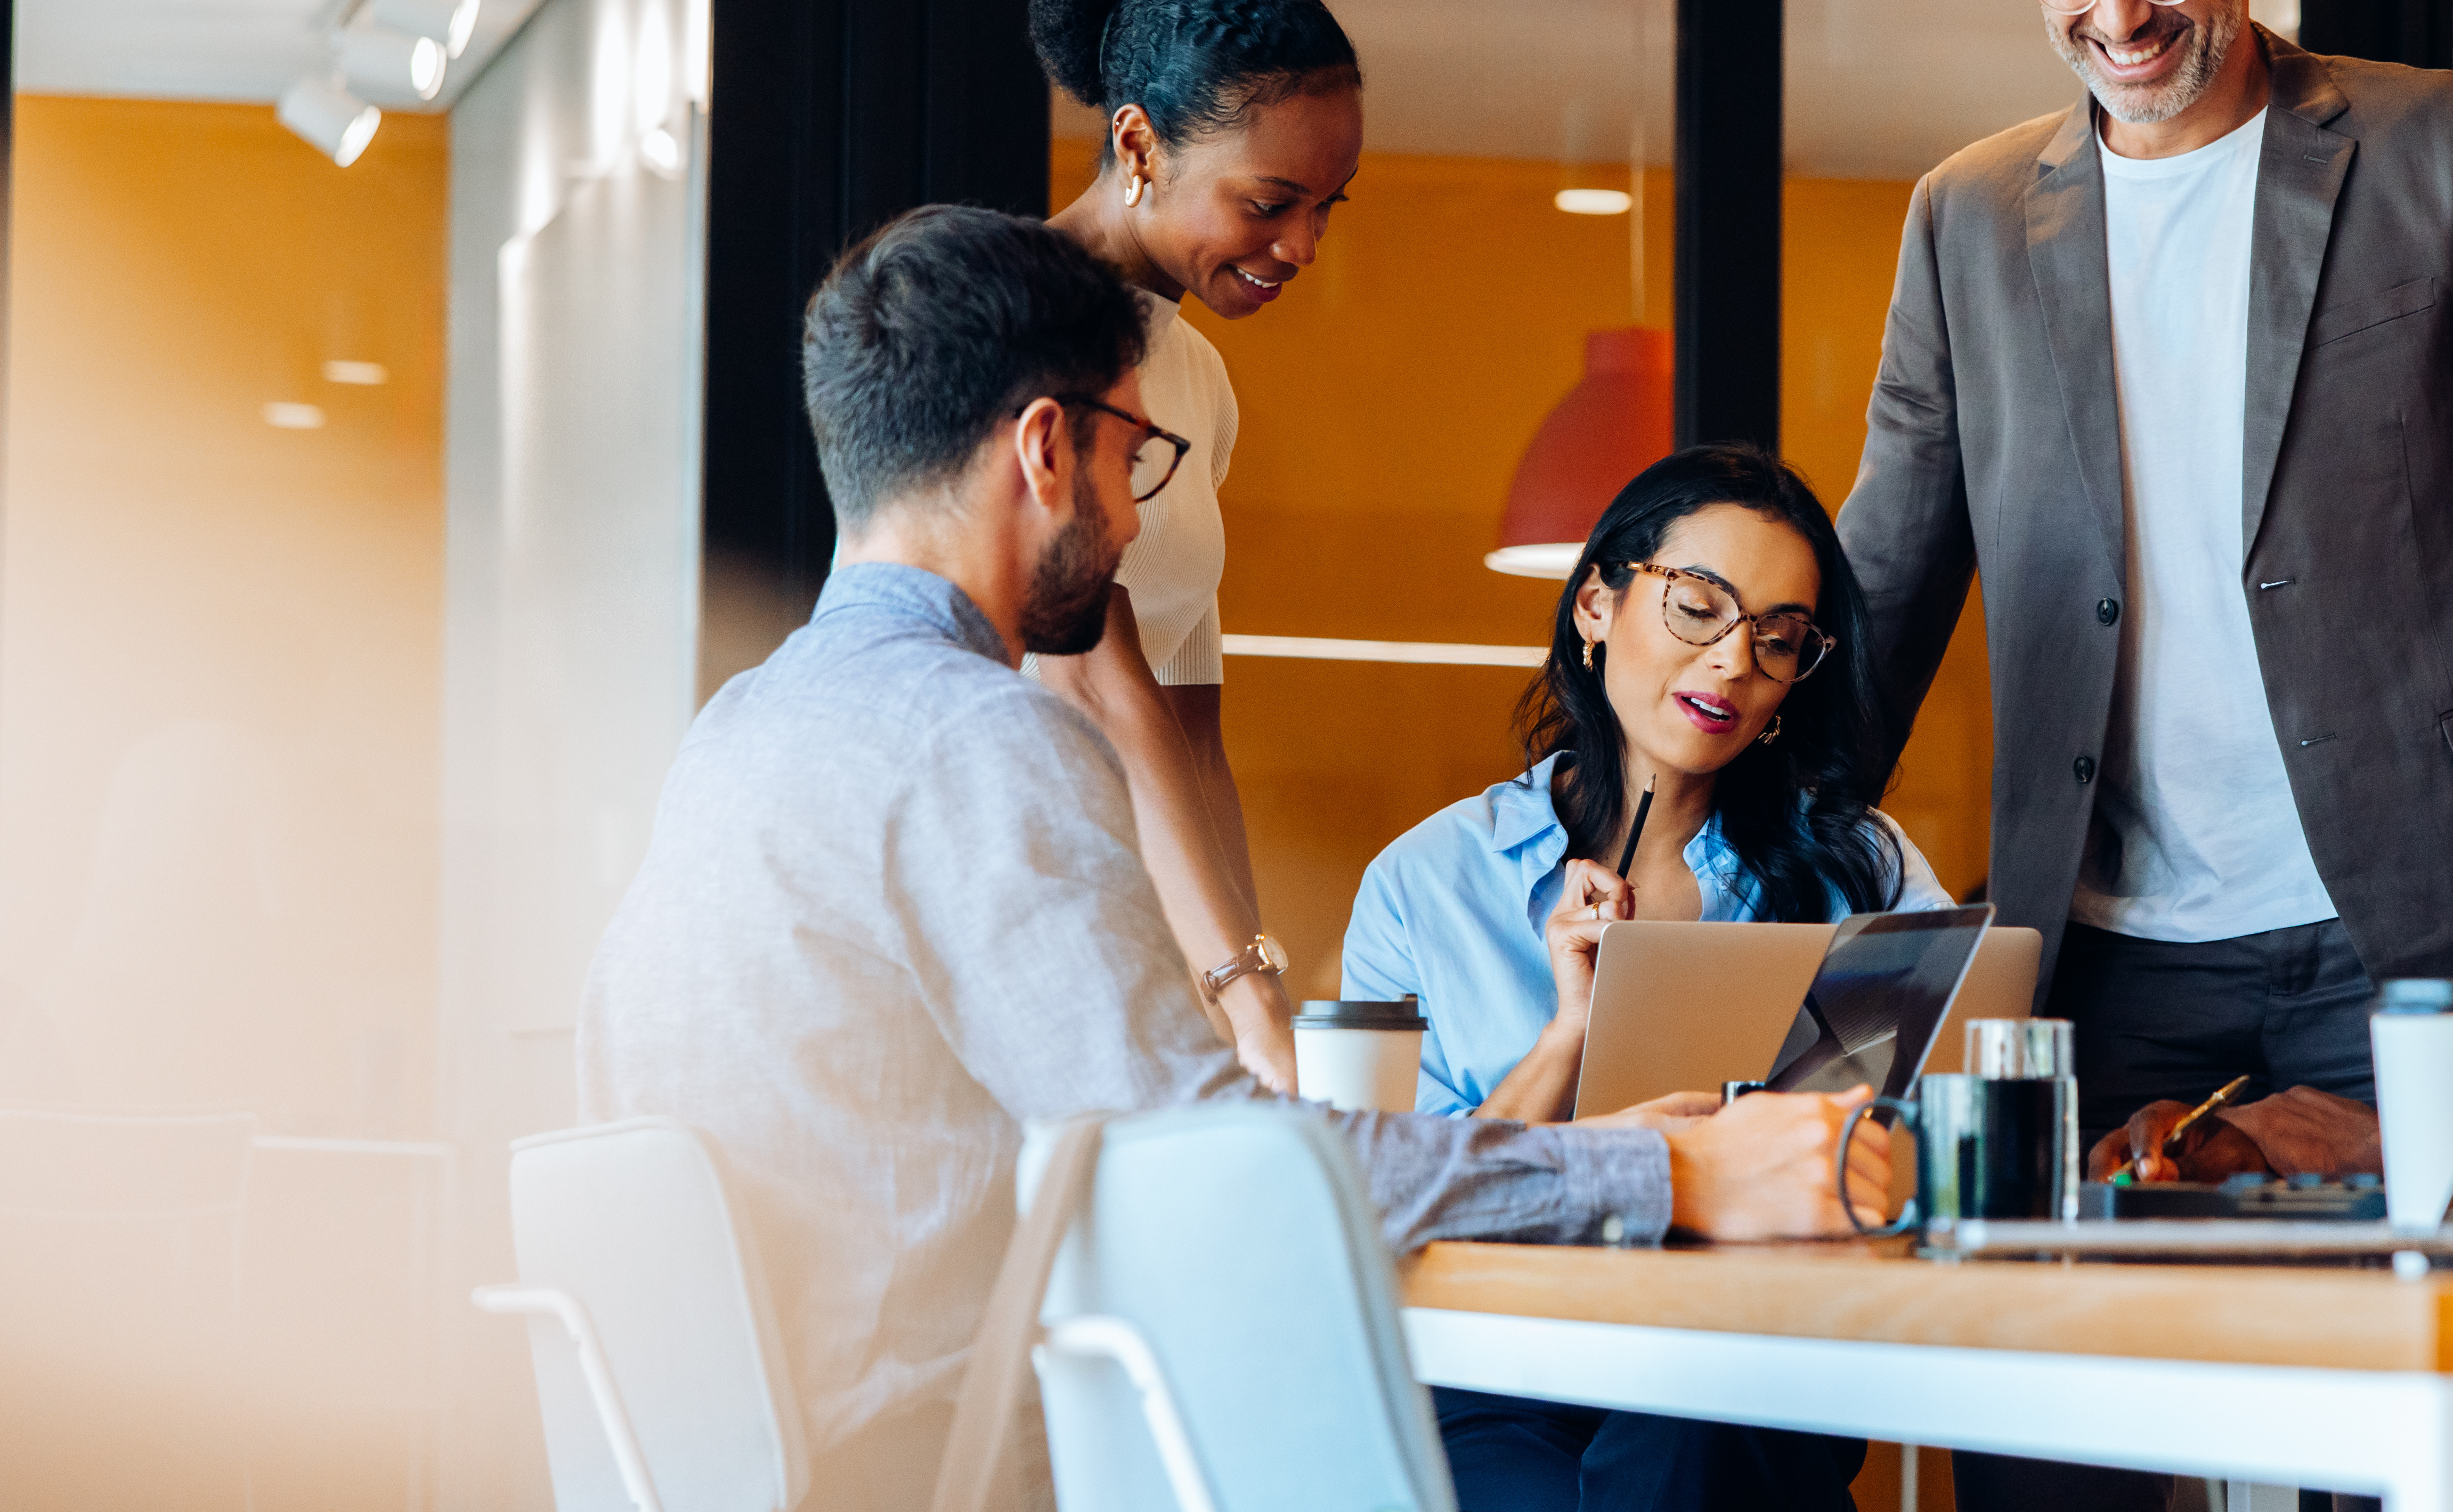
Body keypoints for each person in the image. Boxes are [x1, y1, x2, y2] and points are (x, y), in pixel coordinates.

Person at [581, 206, 1889, 1512]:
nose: (1140, 525)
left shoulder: (735, 731)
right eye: (1135, 457)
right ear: (1046, 448)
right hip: (957, 1465)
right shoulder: (979, 738)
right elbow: (1218, 1174)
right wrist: (1669, 1168)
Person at [1839, 0, 2453, 1147]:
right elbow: (1882, 580)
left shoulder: (2444, 152)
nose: (2115, 15)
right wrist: (1738, 832)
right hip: (2106, 941)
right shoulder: (1968, 217)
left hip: (2423, 915)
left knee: (2436, 1324)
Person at [1343, 443, 1950, 1512]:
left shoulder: (1862, 866)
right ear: (1595, 603)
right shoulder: (1430, 880)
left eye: (1778, 638)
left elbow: (1947, 1126)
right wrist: (1567, 1032)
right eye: (1699, 605)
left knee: (1690, 1436)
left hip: (1752, 1360)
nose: (1732, 662)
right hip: (1503, 1370)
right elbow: (1399, 1202)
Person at [1023, 0, 1363, 1093]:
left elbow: (1190, 719)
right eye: (1269, 203)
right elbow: (1090, 668)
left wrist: (1250, 973)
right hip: (1010, 901)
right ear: (1138, 143)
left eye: (1326, 208)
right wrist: (1238, 983)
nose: (1303, 247)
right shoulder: (1006, 319)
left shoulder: (1197, 378)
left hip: (1137, 916)